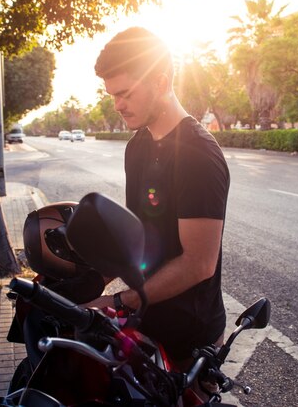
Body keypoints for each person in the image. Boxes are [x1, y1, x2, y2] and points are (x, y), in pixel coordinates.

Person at [85, 27, 230, 370]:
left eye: (126, 94)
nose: (118, 105)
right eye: (112, 96)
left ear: (161, 83)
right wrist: (83, 283)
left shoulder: (198, 155)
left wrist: (119, 300)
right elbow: (140, 237)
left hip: (190, 339)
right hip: (145, 327)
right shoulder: (138, 145)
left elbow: (198, 263)